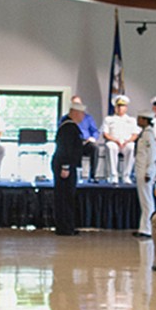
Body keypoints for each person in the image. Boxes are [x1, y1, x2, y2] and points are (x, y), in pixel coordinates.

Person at [52, 100, 85, 235]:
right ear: (74, 113)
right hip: (64, 166)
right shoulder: (68, 128)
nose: (83, 117)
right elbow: (65, 149)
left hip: (68, 165)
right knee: (64, 197)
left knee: (67, 196)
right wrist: (65, 167)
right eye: (81, 113)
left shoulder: (72, 127)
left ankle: (67, 226)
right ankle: (64, 228)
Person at [101, 96, 138, 184]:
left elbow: (135, 134)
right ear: (115, 107)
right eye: (118, 106)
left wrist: (128, 141)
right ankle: (113, 175)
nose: (120, 108)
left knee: (131, 147)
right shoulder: (109, 119)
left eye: (122, 106)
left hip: (126, 142)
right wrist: (115, 140)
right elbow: (105, 134)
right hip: (114, 141)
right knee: (111, 147)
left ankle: (126, 176)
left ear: (126, 108)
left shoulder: (131, 120)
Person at [133, 111, 156, 239]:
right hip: (141, 170)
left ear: (145, 120)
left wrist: (148, 172)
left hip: (145, 171)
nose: (137, 120)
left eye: (139, 118)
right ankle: (144, 227)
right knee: (144, 201)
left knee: (147, 200)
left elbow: (151, 155)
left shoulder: (148, 135)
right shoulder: (144, 133)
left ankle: (148, 229)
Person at [68, 96, 101, 181]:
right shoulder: (66, 119)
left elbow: (95, 131)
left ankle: (93, 175)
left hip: (86, 143)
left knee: (95, 147)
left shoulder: (88, 118)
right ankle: (75, 175)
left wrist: (93, 138)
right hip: (73, 144)